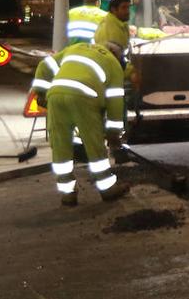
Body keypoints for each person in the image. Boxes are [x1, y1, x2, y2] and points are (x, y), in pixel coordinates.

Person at [31, 41, 130, 206]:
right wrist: (114, 133)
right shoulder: (114, 65)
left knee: (61, 146)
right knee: (95, 146)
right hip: (85, 97)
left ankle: (67, 194)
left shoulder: (76, 47)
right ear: (118, 56)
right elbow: (115, 103)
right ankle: (107, 189)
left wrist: (41, 92)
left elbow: (44, 65)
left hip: (55, 95)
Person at [93, 0, 133, 76]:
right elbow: (113, 66)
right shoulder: (109, 32)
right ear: (114, 9)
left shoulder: (118, 23)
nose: (127, 11)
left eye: (128, 7)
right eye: (124, 8)